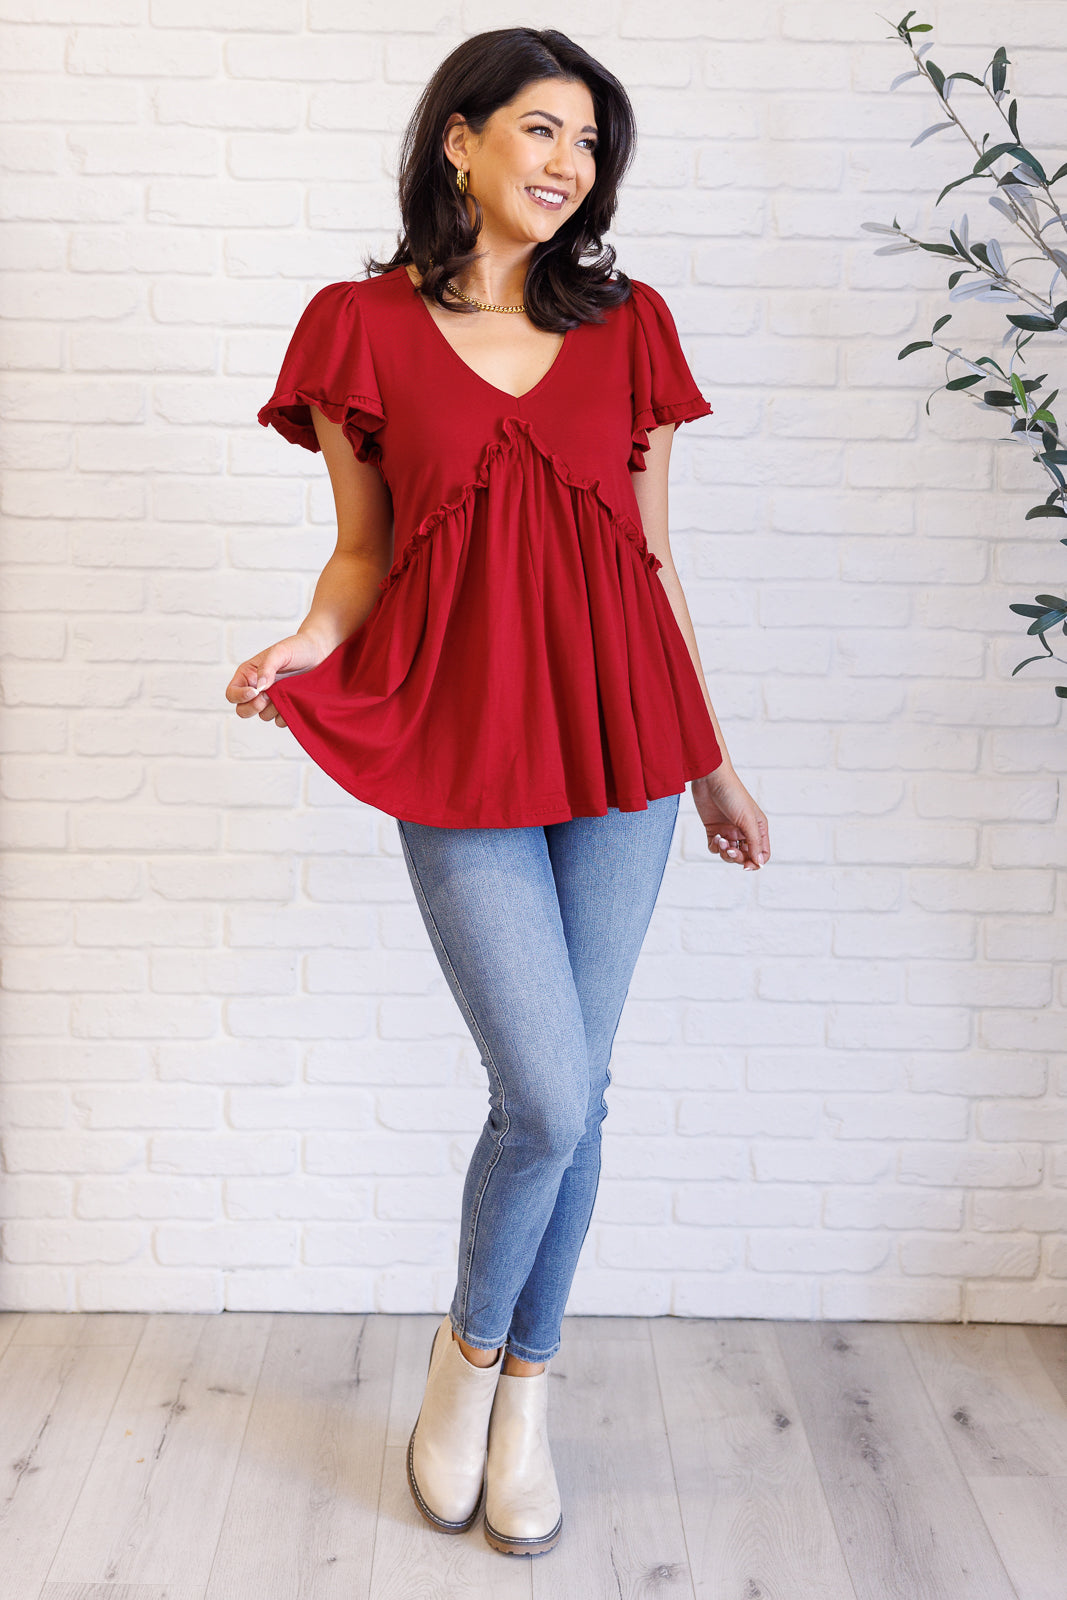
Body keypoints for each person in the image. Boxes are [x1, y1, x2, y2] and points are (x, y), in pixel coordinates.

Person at [225, 25, 770, 1561]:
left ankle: (518, 1393)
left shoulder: (631, 327)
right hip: (459, 743)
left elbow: (654, 562)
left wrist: (713, 761)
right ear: (459, 140)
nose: (568, 164)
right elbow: (362, 553)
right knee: (543, 1089)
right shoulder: (358, 327)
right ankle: (467, 1357)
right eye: (541, 129)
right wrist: (306, 642)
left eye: (590, 143)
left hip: (623, 744)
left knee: (575, 1093)